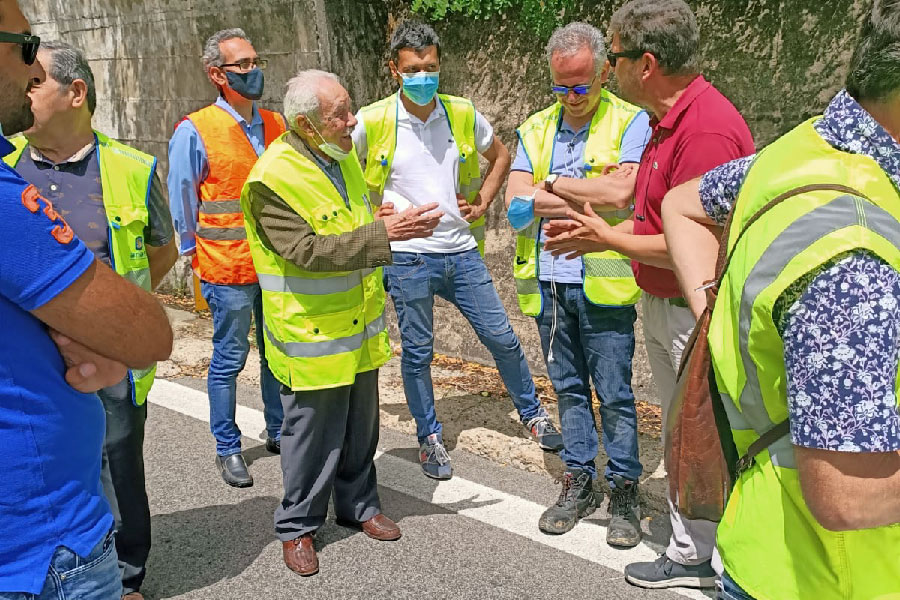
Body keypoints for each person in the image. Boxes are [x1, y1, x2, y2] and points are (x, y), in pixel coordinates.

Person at [662, 2, 900, 598]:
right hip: (838, 576)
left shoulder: (797, 152)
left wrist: (719, 319)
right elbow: (848, 493)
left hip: (764, 543)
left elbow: (683, 205)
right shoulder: (855, 255)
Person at [543, 0, 754, 589]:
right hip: (666, 306)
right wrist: (608, 233)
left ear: (647, 63)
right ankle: (697, 547)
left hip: (696, 310)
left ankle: (701, 559)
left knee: (704, 434)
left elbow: (701, 247)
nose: (607, 70)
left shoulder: (705, 130)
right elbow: (656, 218)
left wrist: (606, 237)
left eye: (613, 57)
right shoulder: (668, 121)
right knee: (686, 432)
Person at [0, 2, 173, 598]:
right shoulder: (9, 174)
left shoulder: (131, 166)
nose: (28, 77)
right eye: (23, 51)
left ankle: (132, 573)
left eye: (39, 68)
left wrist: (100, 319)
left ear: (77, 94)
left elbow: (160, 249)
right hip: (41, 547)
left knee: (123, 471)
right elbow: (151, 332)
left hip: (109, 358)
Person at [241, 69, 442, 577]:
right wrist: (383, 233)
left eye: (349, 108)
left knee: (360, 429)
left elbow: (351, 219)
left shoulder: (342, 155)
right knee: (310, 437)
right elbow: (306, 251)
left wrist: (384, 217)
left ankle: (359, 505)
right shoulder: (271, 178)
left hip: (358, 324)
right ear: (307, 125)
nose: (353, 120)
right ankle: (298, 526)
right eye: (340, 114)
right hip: (311, 334)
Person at [353, 20, 563, 481]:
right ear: (394, 69)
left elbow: (501, 156)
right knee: (417, 352)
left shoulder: (461, 113)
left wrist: (484, 200)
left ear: (440, 64)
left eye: (430, 67)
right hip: (406, 256)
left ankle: (532, 414)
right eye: (413, 69)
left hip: (460, 250)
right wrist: (373, 220)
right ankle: (428, 435)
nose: (423, 76)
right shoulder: (372, 120)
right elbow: (341, 172)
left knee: (503, 338)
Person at [504, 21, 651, 548]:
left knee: (614, 393)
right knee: (567, 389)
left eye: (581, 86)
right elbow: (516, 204)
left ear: (605, 72)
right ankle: (580, 479)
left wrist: (549, 185)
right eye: (561, 87)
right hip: (548, 281)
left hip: (604, 284)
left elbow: (622, 192)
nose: (570, 97)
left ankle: (625, 487)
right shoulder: (535, 127)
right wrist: (584, 192)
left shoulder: (632, 120)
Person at [168, 28, 287, 488]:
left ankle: (277, 430)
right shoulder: (195, 130)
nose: (254, 72)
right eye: (244, 65)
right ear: (218, 74)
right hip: (226, 266)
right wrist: (191, 259)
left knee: (277, 353)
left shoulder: (278, 125)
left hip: (275, 264)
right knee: (229, 358)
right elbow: (182, 200)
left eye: (256, 62)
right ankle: (227, 445)